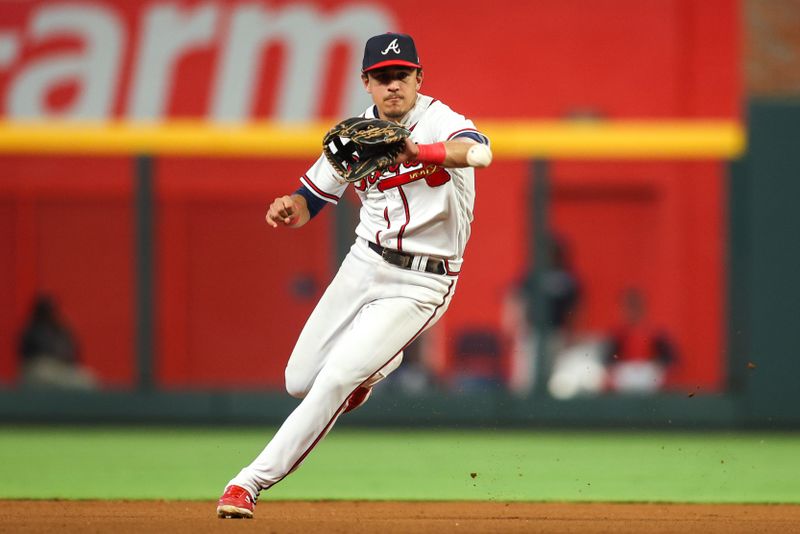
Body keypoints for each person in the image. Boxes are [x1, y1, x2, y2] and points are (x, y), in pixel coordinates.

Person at [216, 32, 491, 519]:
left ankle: (247, 483)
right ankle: (376, 368)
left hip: (424, 279)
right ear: (366, 82)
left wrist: (419, 153)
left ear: (418, 79)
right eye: (382, 77)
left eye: (402, 76)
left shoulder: (441, 120)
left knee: (337, 378)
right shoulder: (355, 134)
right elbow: (313, 196)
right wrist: (291, 207)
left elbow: (478, 153)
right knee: (299, 380)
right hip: (364, 263)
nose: (393, 86)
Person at [602, 287, 677, 393]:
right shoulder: (618, 333)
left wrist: (660, 369)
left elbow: (671, 358)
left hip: (649, 372)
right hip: (625, 373)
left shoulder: (655, 332)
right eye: (630, 307)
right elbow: (607, 359)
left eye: (636, 307)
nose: (633, 311)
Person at [17, 294, 97, 390]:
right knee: (42, 372)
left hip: (62, 370)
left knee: (88, 379)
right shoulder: (31, 330)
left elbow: (72, 353)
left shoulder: (61, 330)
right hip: (40, 369)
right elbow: (26, 357)